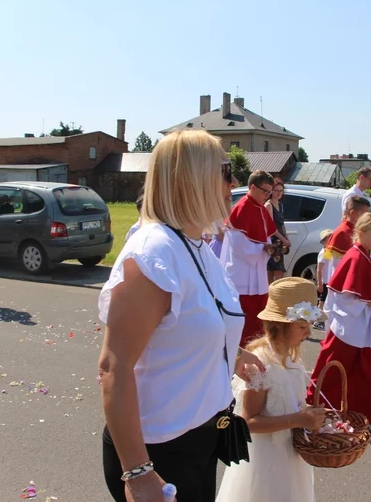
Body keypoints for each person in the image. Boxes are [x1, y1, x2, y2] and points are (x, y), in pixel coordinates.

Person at [98, 130, 265, 502]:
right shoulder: (153, 253)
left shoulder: (196, 245)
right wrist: (139, 472)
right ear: (194, 179)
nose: (234, 182)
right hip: (158, 452)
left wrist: (233, 352)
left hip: (201, 437)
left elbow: (187, 323)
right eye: (225, 171)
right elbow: (114, 367)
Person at [215, 277, 324, 502]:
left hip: (290, 457)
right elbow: (248, 422)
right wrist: (298, 419)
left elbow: (291, 403)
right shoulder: (261, 364)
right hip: (266, 463)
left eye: (310, 326)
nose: (308, 333)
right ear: (280, 325)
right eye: (303, 327)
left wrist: (309, 415)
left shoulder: (291, 358)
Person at [309, 212, 371, 435]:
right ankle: (320, 404)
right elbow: (346, 295)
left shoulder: (361, 254)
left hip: (358, 326)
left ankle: (368, 414)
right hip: (352, 327)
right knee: (342, 368)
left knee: (360, 372)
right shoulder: (356, 256)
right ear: (360, 233)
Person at [221, 170, 277, 346]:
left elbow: (265, 236)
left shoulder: (260, 208)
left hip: (258, 275)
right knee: (245, 323)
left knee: (259, 319)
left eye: (270, 192)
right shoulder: (241, 208)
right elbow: (239, 247)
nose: (267, 196)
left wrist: (269, 248)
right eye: (264, 191)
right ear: (252, 187)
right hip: (242, 276)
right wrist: (263, 248)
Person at [265, 178, 291, 283]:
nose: (279, 193)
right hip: (273, 241)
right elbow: (271, 228)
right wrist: (283, 239)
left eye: (281, 191)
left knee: (278, 272)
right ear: (271, 191)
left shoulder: (280, 205)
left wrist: (286, 238)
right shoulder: (268, 205)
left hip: (280, 242)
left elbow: (282, 224)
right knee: (273, 273)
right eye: (276, 190)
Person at [313, 229, 333, 331]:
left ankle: (322, 319)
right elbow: (319, 269)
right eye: (329, 238)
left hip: (329, 280)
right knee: (322, 301)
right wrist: (319, 283)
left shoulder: (329, 251)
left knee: (325, 301)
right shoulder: (323, 252)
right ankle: (317, 320)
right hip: (325, 281)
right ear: (324, 241)